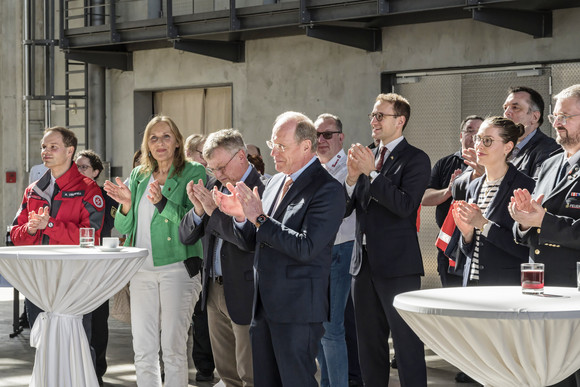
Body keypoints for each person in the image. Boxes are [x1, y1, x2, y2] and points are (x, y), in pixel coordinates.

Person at [217, 111, 345, 387]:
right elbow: (254, 240)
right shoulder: (274, 182)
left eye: (282, 146)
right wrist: (242, 217)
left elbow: (306, 246)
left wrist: (260, 218)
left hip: (298, 311)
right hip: (263, 306)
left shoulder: (328, 189)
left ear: (306, 146)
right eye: (272, 144)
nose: (273, 152)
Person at [104, 115, 205, 387]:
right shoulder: (139, 174)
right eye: (153, 137)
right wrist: (126, 204)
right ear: (147, 144)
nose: (160, 143)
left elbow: (193, 219)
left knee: (173, 347)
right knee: (143, 348)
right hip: (141, 270)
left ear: (177, 142)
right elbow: (124, 225)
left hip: (178, 268)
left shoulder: (194, 171)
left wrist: (162, 202)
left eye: (166, 136)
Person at [345, 93, 429, 387]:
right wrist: (352, 178)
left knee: (406, 344)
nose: (374, 121)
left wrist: (372, 172)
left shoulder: (416, 158)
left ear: (400, 121)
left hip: (398, 266)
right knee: (368, 345)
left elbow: (405, 206)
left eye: (381, 115)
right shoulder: (367, 154)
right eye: (372, 115)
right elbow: (346, 208)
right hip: (363, 265)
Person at [180, 128, 264, 387]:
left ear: (241, 156)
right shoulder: (214, 186)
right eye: (211, 169)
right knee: (226, 373)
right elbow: (187, 237)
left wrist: (214, 212)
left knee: (250, 373)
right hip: (213, 290)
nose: (217, 175)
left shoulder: (263, 188)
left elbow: (248, 240)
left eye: (220, 167)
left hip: (245, 291)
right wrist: (197, 210)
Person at [509, 84, 580, 387]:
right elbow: (530, 224)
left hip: (574, 287)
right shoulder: (550, 163)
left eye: (567, 116)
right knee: (548, 373)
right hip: (542, 286)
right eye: (555, 117)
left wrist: (543, 219)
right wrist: (523, 221)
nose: (558, 123)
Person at [10, 126, 105, 350]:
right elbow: (15, 235)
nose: (46, 151)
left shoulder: (89, 189)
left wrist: (50, 225)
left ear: (70, 151)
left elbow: (90, 238)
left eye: (53, 147)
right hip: (38, 281)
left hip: (75, 280)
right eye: (44, 147)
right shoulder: (32, 190)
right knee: (43, 348)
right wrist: (31, 230)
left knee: (77, 347)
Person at [450, 117, 535, 286]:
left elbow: (526, 249)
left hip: (505, 286)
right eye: (478, 138)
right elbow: (470, 250)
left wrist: (483, 224)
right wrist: (467, 235)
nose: (478, 145)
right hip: (472, 282)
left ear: (508, 147)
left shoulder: (524, 186)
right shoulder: (473, 185)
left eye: (487, 140)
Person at [314, 113, 356, 387]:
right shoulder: (313, 168)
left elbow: (337, 210)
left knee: (331, 329)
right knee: (318, 327)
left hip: (341, 249)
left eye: (327, 135)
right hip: (316, 253)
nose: (321, 140)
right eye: (316, 135)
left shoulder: (349, 167)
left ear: (340, 138)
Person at [422, 115, 483, 287]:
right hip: (448, 243)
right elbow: (424, 198)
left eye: (479, 133)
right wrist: (449, 191)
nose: (473, 137)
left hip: (478, 243)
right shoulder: (446, 163)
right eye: (469, 131)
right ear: (461, 136)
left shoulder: (490, 165)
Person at [76, 149, 119, 386]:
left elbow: (109, 224)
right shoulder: (68, 193)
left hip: (97, 264)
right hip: (74, 265)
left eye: (84, 167)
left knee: (97, 320)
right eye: (77, 166)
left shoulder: (106, 196)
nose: (79, 170)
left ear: (96, 172)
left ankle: (96, 371)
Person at [184, 133, 216, 382]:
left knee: (204, 317)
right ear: (190, 155)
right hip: (184, 260)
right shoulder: (183, 182)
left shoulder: (216, 183)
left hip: (209, 261)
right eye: (202, 152)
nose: (207, 158)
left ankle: (205, 368)